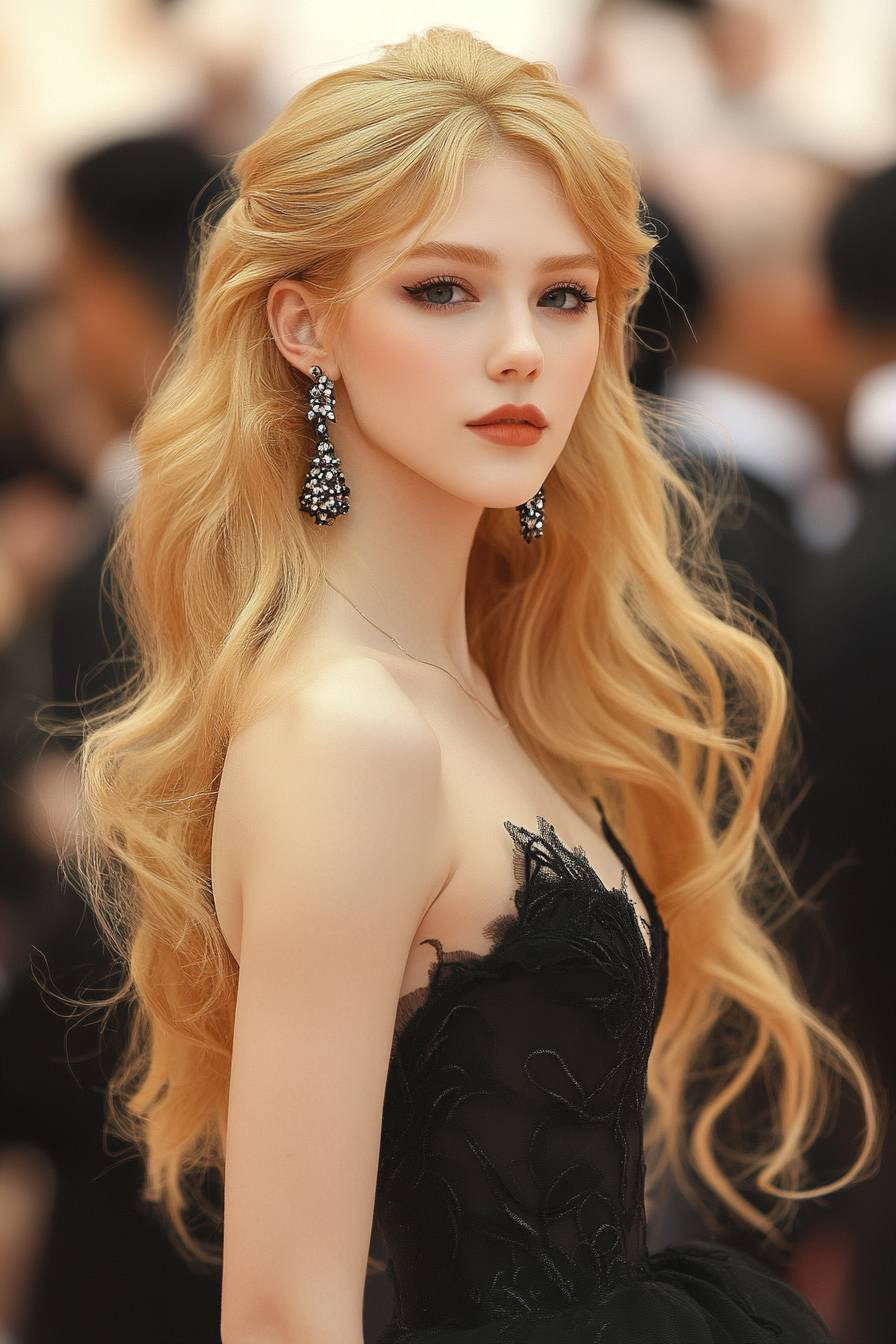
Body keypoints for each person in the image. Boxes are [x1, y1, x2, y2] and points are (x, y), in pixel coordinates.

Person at [59, 27, 878, 1343]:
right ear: (304, 324)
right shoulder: (348, 733)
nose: (521, 351)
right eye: (444, 290)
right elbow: (281, 1315)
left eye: (564, 297)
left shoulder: (477, 685)